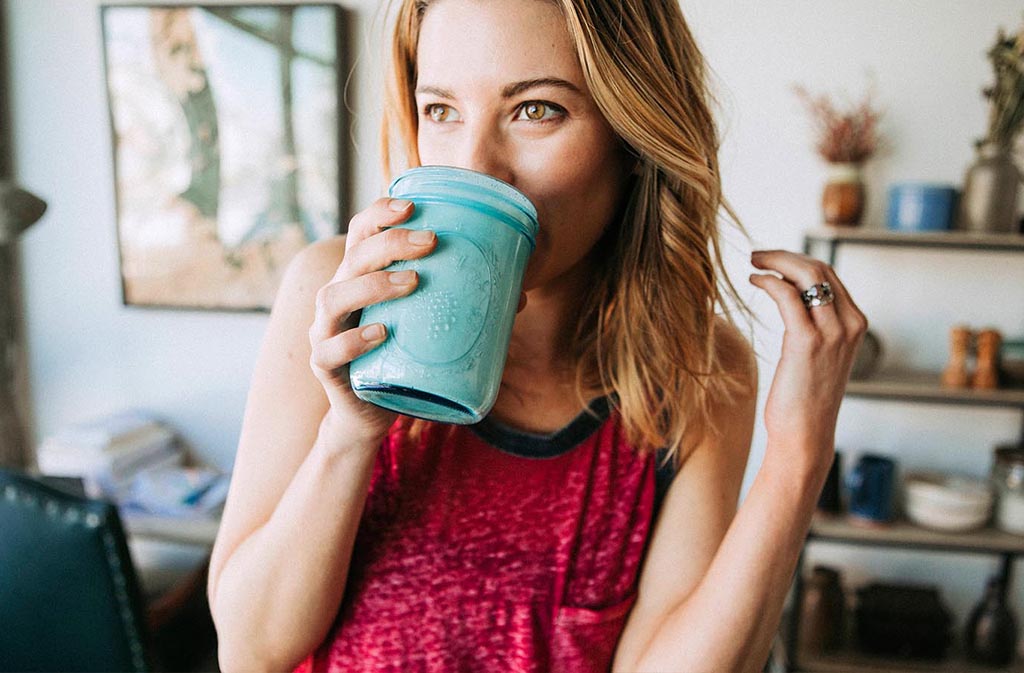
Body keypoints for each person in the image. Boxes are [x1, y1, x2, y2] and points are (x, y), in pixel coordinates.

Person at [207, 0, 867, 671]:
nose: (475, 167)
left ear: (633, 138)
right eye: (441, 111)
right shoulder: (336, 302)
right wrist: (351, 432)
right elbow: (250, 650)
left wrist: (798, 456)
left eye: (535, 110)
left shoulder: (693, 369)